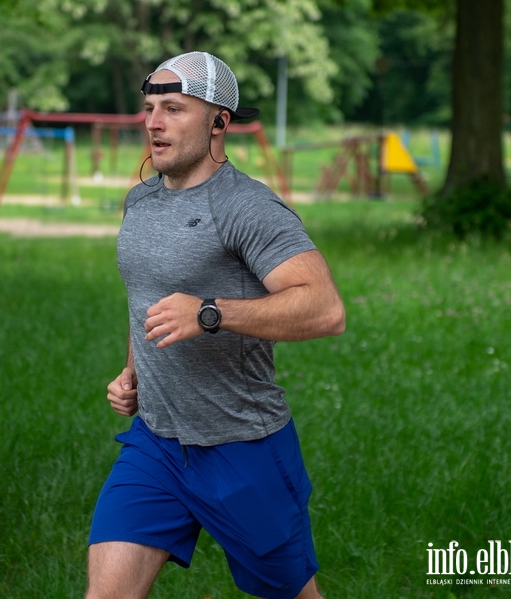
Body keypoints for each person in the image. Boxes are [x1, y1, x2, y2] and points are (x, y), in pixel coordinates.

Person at [86, 51, 345, 599]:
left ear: (219, 122)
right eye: (150, 107)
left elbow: (325, 308)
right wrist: (133, 372)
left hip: (241, 446)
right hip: (156, 444)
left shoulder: (246, 207)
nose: (153, 122)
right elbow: (147, 296)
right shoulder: (141, 202)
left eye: (174, 109)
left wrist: (210, 313)